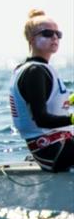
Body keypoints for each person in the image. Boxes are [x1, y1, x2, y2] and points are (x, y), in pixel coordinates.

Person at [8, 9, 73, 172]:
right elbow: (42, 120)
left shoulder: (39, 69)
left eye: (58, 34)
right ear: (31, 39)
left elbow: (53, 103)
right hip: (52, 151)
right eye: (47, 33)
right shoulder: (34, 72)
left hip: (60, 146)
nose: (54, 38)